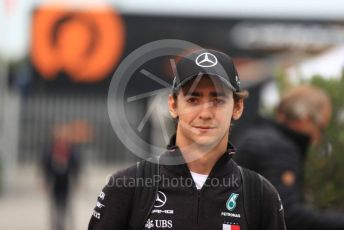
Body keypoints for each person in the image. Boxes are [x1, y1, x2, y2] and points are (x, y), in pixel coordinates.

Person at [88, 49, 286, 230]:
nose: (205, 113)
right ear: (173, 105)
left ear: (237, 107)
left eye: (217, 100)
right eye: (193, 100)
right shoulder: (128, 186)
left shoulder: (260, 195)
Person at [234, 85, 344, 230]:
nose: (318, 137)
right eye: (321, 127)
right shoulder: (279, 148)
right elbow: (286, 215)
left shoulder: (259, 136)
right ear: (305, 119)